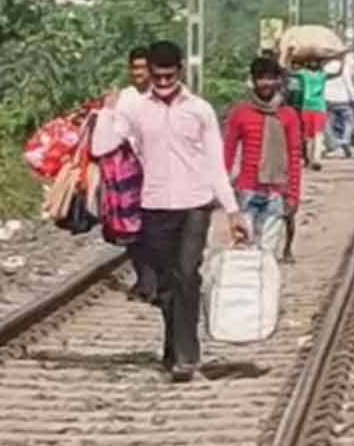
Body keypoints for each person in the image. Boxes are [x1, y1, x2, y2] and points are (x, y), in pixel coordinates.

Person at [91, 40, 248, 382]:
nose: (163, 83)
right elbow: (101, 147)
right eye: (157, 77)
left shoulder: (200, 110)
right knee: (165, 283)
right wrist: (108, 111)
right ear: (150, 74)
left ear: (180, 71)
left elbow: (215, 164)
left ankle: (187, 355)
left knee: (187, 274)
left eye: (168, 76)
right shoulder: (135, 110)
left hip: (195, 204)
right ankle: (172, 344)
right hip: (154, 205)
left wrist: (233, 211)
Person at [223, 58, 303, 260]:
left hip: (276, 193)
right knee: (246, 252)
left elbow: (294, 156)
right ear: (253, 81)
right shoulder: (240, 113)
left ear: (278, 81)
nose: (265, 83)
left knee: (267, 254)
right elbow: (227, 153)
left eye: (270, 78)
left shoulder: (288, 115)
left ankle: (266, 291)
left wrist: (293, 194)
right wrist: (224, 191)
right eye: (261, 78)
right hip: (247, 191)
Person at [116, 46, 156, 302]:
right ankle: (144, 279)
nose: (138, 72)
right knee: (132, 230)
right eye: (135, 68)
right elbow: (117, 131)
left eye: (143, 67)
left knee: (156, 229)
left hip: (159, 171)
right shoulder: (125, 97)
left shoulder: (161, 94)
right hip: (130, 171)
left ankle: (154, 282)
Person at [294, 60, 329, 171]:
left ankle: (317, 160)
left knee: (318, 135)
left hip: (319, 108)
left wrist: (342, 60)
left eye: (316, 60)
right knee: (308, 137)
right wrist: (288, 56)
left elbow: (338, 73)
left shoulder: (323, 75)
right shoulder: (303, 74)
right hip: (307, 108)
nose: (314, 63)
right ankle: (310, 160)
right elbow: (287, 71)